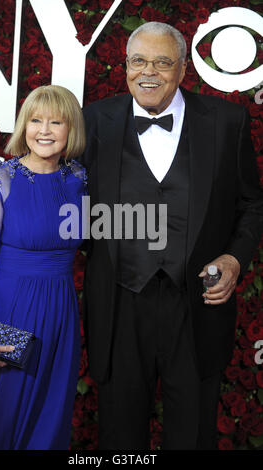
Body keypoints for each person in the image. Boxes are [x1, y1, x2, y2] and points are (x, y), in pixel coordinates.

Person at [80, 22, 263, 450]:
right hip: (120, 305)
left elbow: (252, 204)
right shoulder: (94, 121)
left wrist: (235, 260)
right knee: (120, 440)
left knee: (193, 435)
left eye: (163, 62)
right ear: (125, 66)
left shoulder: (227, 121)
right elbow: (71, 202)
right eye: (139, 61)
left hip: (197, 304)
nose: (149, 72)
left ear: (183, 69)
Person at [0, 85, 87, 450]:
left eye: (55, 121)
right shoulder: (3, 181)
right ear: (23, 126)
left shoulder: (79, 180)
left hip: (61, 319)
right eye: (35, 120)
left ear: (71, 129)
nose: (44, 130)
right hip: (10, 315)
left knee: (47, 426)